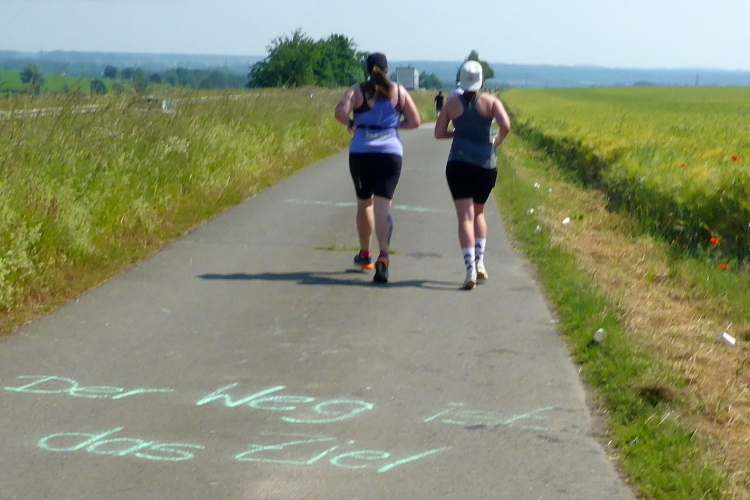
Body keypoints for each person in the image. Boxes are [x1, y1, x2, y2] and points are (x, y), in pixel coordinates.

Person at [334, 52, 421, 283]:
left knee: (365, 203)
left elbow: (340, 112)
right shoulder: (399, 91)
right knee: (384, 206)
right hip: (390, 153)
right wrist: (394, 126)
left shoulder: (357, 91)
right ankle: (384, 255)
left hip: (361, 152)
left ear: (367, 69)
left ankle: (365, 254)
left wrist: (352, 123)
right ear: (387, 70)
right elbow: (415, 121)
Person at [434, 60, 511, 290]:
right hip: (485, 164)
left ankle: (469, 269)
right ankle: (480, 262)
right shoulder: (491, 101)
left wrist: (457, 133)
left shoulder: (451, 103)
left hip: (458, 163)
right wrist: (496, 141)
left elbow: (439, 132)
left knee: (464, 218)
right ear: (481, 80)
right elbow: (506, 125)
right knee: (479, 213)